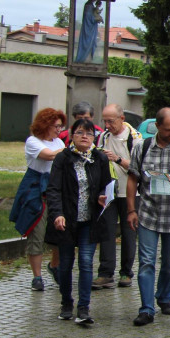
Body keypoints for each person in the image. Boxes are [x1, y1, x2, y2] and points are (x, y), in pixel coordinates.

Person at [126, 108, 170, 326]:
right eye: (167, 130)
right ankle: (146, 308)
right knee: (147, 262)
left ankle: (164, 296)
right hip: (149, 213)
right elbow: (132, 179)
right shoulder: (143, 147)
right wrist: (131, 209)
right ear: (157, 126)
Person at [44, 117, 112, 325]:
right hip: (66, 219)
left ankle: (83, 307)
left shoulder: (99, 158)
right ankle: (66, 302)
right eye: (80, 133)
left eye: (89, 133)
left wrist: (102, 196)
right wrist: (57, 214)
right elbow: (53, 189)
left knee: (85, 262)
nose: (85, 137)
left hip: (89, 220)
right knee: (65, 264)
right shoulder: (63, 158)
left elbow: (106, 185)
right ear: (72, 136)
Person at [11, 107, 66, 291]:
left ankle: (55, 266)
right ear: (45, 125)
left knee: (59, 231)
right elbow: (49, 156)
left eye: (60, 126)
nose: (59, 130)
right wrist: (69, 150)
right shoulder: (33, 141)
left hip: (54, 189)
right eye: (56, 126)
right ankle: (37, 277)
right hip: (36, 189)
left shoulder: (58, 141)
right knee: (37, 232)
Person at [94, 103, 142, 289]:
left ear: (122, 119)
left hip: (130, 192)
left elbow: (138, 167)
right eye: (104, 121)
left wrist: (117, 159)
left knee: (129, 232)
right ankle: (105, 273)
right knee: (106, 231)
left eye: (111, 121)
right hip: (109, 193)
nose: (107, 125)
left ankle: (126, 273)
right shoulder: (103, 137)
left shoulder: (135, 139)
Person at [74, 0, 103, 64]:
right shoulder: (89, 5)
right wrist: (96, 19)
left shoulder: (91, 5)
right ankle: (84, 60)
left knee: (91, 43)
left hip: (91, 28)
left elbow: (93, 15)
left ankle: (88, 60)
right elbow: (88, 17)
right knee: (88, 43)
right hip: (88, 29)